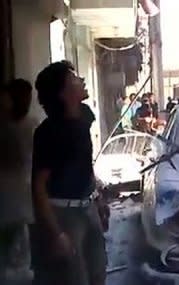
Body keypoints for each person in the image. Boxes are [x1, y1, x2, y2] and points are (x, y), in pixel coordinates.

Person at [31, 60, 109, 285]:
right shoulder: (48, 133)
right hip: (63, 215)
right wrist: (55, 233)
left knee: (98, 272)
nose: (82, 80)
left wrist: (98, 197)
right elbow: (39, 187)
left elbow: (84, 164)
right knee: (74, 278)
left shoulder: (84, 116)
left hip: (88, 207)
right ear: (63, 93)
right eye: (74, 78)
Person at [0, 79, 36, 283]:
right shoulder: (28, 126)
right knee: (20, 261)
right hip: (19, 204)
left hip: (19, 203)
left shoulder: (25, 125)